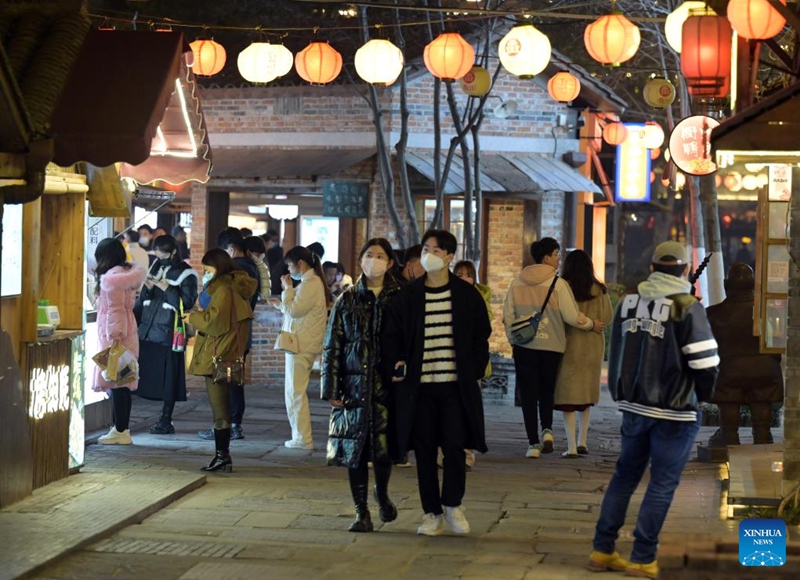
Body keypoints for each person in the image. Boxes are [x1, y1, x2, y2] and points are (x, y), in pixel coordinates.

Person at [589, 241, 719, 578]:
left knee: (624, 476)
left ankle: (602, 550)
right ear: (685, 271)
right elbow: (706, 362)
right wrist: (702, 395)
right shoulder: (687, 307)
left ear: (651, 269)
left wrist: (622, 392)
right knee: (661, 483)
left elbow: (614, 352)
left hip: (634, 406)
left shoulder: (628, 303)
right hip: (675, 411)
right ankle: (643, 556)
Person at [382, 229, 491, 536]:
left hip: (455, 387)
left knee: (455, 448)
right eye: (426, 248)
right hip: (420, 388)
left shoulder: (467, 296)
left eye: (437, 250)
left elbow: (480, 337)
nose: (430, 254)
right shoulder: (409, 297)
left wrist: (474, 370)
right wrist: (398, 360)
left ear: (449, 257)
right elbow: (392, 336)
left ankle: (454, 505)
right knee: (425, 451)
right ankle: (431, 513)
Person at [321, 238, 402, 532]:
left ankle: (381, 493)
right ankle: (361, 511)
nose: (374, 261)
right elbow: (333, 345)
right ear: (360, 260)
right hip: (353, 385)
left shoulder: (400, 298)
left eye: (381, 256)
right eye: (369, 255)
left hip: (387, 386)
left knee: (382, 448)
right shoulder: (348, 299)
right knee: (354, 450)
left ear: (390, 263)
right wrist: (330, 387)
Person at [503, 237, 598, 458]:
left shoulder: (517, 282)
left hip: (523, 346)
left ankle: (532, 444)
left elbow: (507, 315)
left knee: (527, 394)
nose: (558, 259)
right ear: (546, 258)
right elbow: (572, 317)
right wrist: (592, 324)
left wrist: (513, 340)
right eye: (556, 254)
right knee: (546, 390)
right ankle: (547, 430)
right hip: (552, 346)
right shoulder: (558, 284)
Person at [187, 249, 256, 472]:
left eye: (208, 270)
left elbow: (214, 322)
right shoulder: (238, 288)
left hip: (218, 356)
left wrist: (192, 317)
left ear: (219, 267)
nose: (206, 274)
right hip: (231, 354)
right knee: (223, 405)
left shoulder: (224, 290)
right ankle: (222, 456)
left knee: (219, 409)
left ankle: (222, 456)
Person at [706, 262, 783, 446]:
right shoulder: (769, 312)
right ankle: (763, 437)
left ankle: (729, 438)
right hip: (765, 371)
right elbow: (777, 346)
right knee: (762, 408)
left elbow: (708, 348)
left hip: (728, 372)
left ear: (726, 285)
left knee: (729, 402)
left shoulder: (713, 313)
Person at [197, 227, 260, 441]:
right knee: (232, 380)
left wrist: (207, 285)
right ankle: (234, 425)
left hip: (224, 336)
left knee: (223, 384)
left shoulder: (230, 277)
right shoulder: (251, 270)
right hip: (240, 335)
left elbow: (208, 302)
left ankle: (224, 427)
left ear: (231, 250)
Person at [133, 235, 199, 433]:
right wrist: (148, 289)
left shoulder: (187, 274)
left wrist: (167, 287)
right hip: (148, 329)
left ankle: (166, 419)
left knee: (170, 376)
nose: (160, 258)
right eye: (157, 255)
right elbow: (146, 298)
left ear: (173, 252)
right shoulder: (154, 267)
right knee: (147, 373)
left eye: (164, 255)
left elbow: (186, 303)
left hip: (169, 331)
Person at [268, 246, 329, 449]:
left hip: (301, 345)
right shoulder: (310, 283)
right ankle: (301, 436)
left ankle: (302, 438)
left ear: (300, 264)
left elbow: (294, 310)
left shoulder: (310, 284)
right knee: (295, 391)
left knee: (295, 392)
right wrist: (281, 303)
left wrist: (287, 289)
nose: (288, 269)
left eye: (289, 264)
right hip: (303, 342)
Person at [554, 250, 613, 458]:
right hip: (593, 346)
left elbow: (558, 317)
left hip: (569, 345)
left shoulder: (563, 287)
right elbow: (607, 316)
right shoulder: (600, 289)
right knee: (585, 396)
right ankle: (583, 440)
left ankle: (570, 446)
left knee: (568, 397)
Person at [93, 239, 147, 445]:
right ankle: (120, 428)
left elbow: (114, 310)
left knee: (118, 383)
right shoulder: (123, 276)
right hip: (126, 333)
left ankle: (121, 430)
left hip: (116, 337)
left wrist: (114, 338)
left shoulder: (111, 280)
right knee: (121, 383)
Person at [451, 260, 493, 470]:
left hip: (469, 365)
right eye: (459, 274)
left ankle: (467, 455)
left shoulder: (479, 298)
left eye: (468, 274)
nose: (464, 278)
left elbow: (483, 333)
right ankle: (445, 453)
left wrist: (478, 365)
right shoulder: (446, 296)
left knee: (468, 410)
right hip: (447, 365)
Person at [244, 235, 271, 302]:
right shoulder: (243, 265)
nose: (258, 258)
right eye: (256, 255)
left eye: (260, 256)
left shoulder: (261, 265)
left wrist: (264, 297)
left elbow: (265, 280)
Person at [264, 229, 284, 296]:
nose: (273, 243)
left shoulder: (279, 250)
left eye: (275, 240)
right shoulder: (264, 254)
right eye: (272, 241)